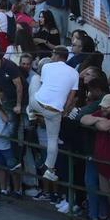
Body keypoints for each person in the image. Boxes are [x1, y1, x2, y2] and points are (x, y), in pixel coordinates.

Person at [26, 46, 79, 182]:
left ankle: (30, 112)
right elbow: (71, 97)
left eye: (52, 54)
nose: (51, 57)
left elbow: (43, 86)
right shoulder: (74, 73)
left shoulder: (47, 67)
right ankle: (49, 169)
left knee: (35, 79)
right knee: (53, 140)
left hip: (37, 104)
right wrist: (63, 112)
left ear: (56, 55)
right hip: (55, 112)